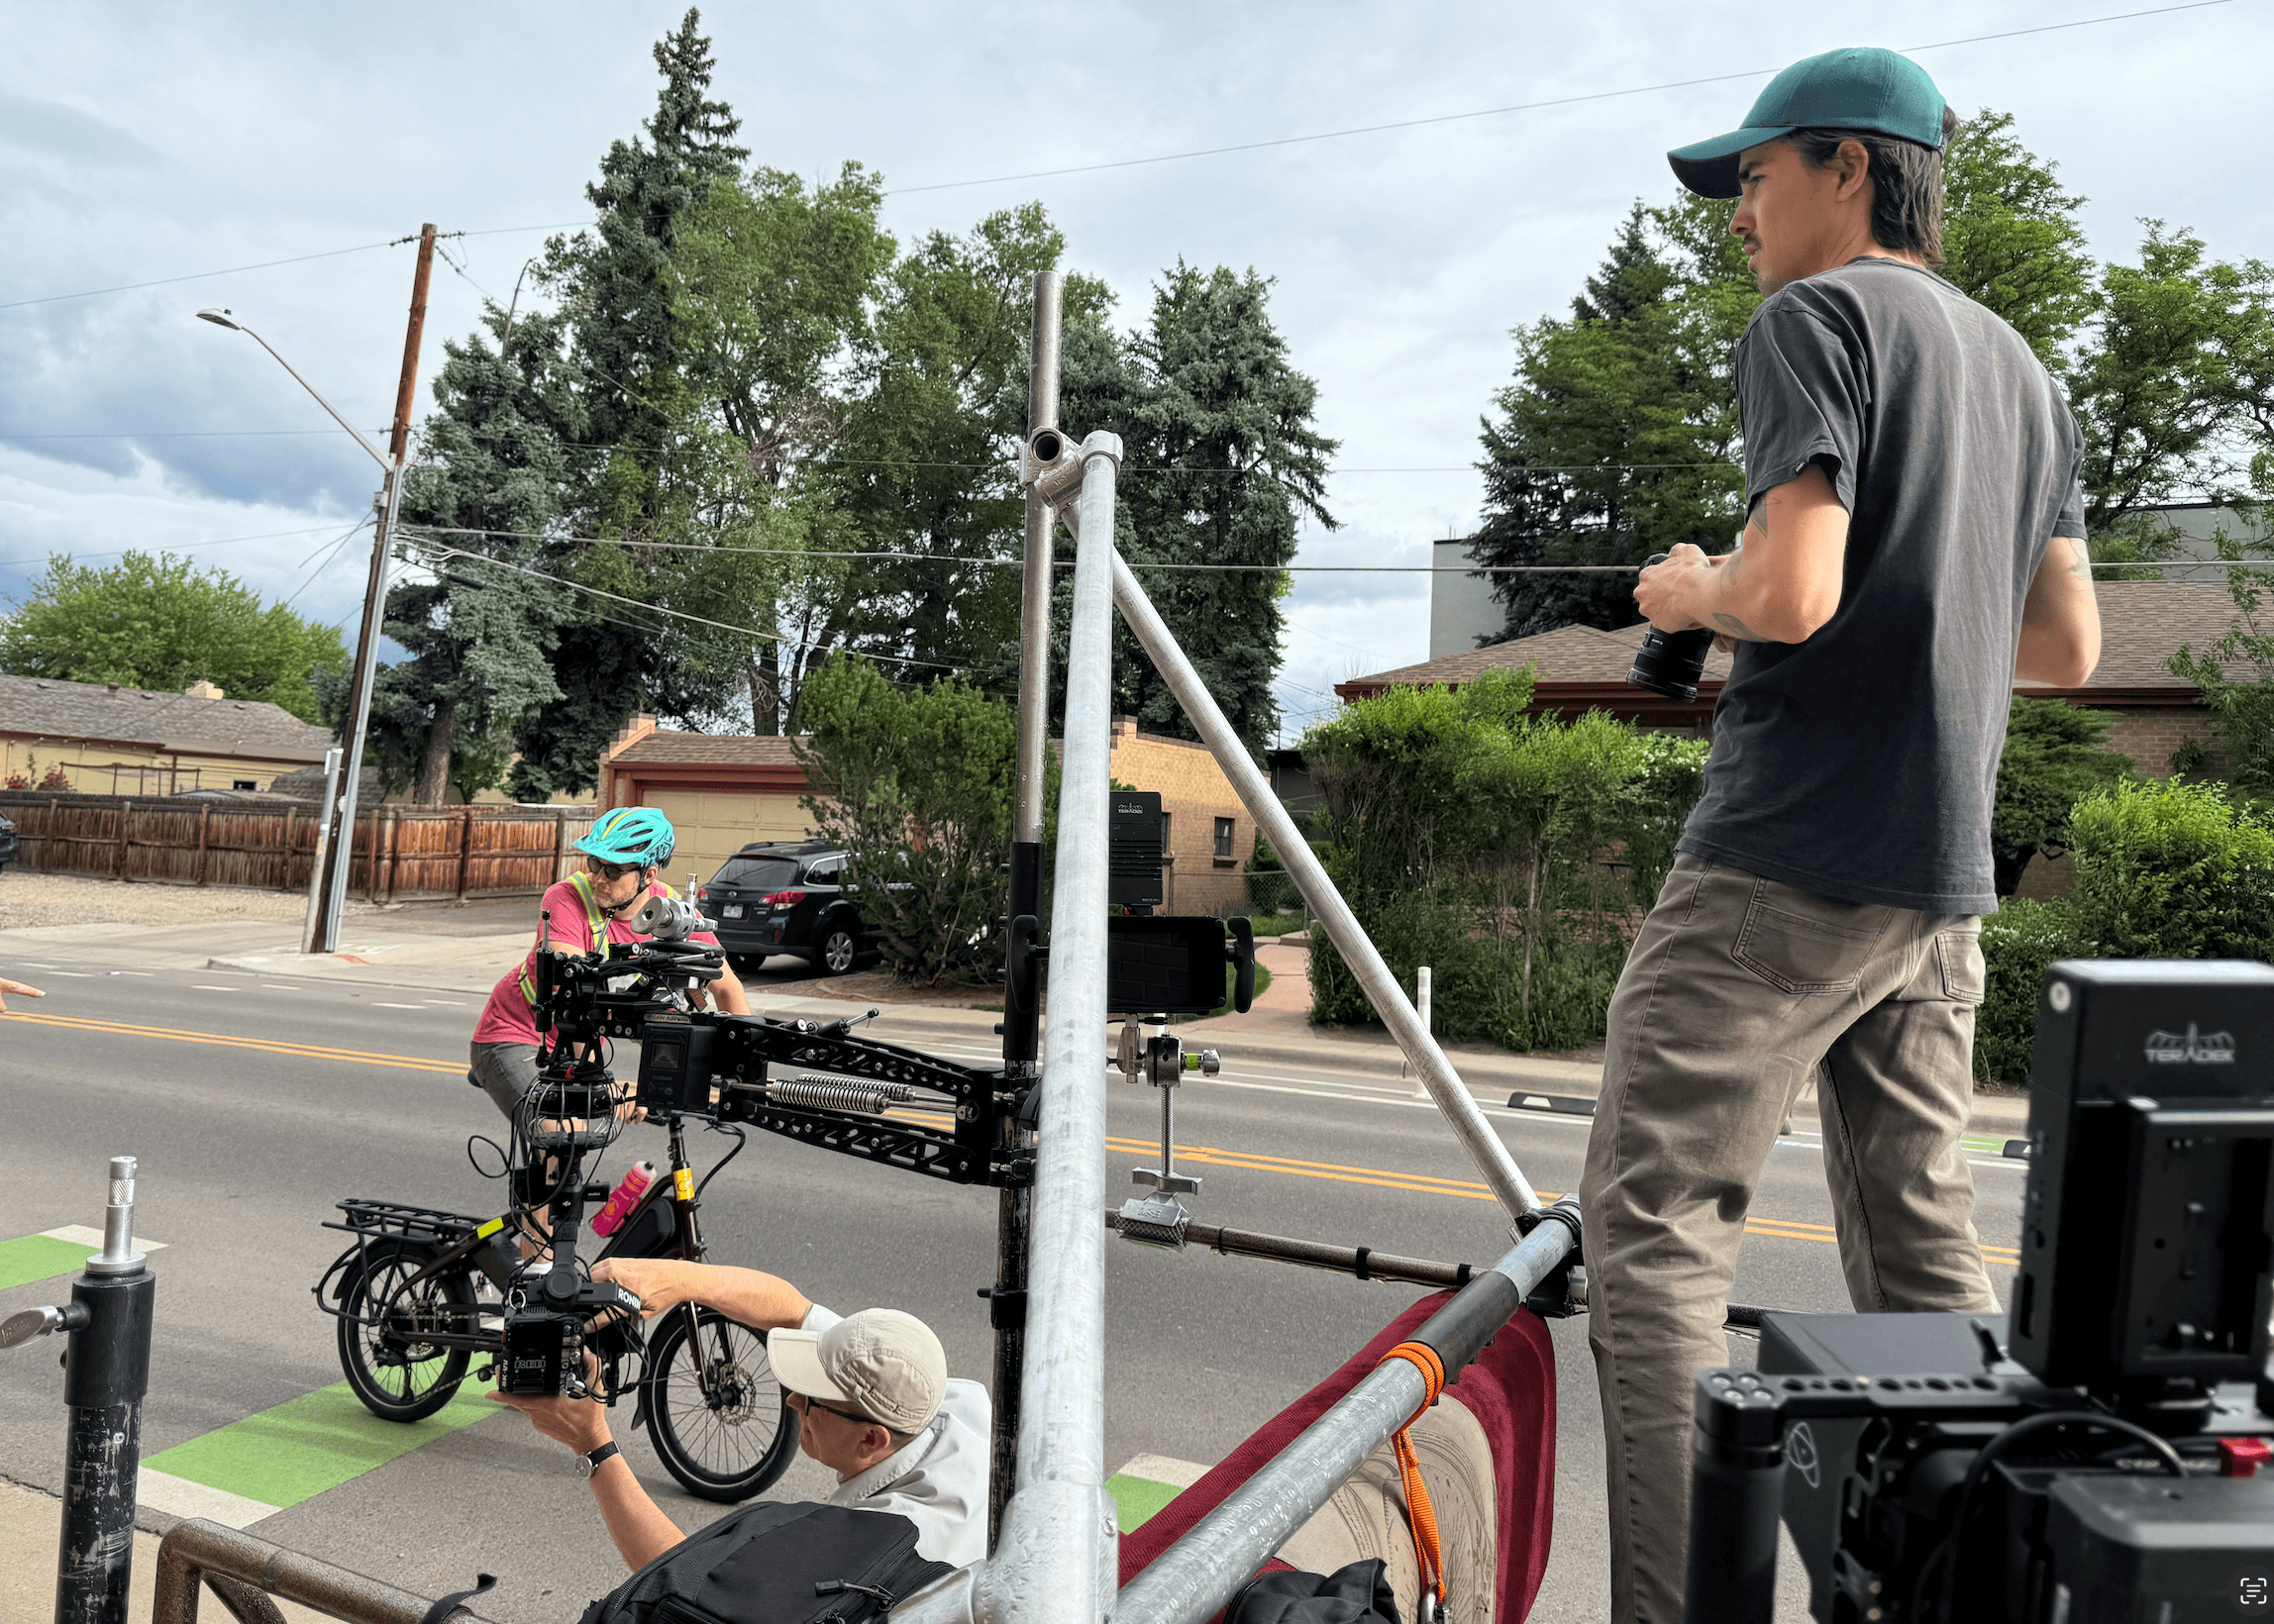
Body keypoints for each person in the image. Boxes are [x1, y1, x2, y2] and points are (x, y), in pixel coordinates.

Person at [1578, 46, 2101, 1621]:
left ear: (1850, 170)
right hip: (1938, 890)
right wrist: (1910, 604)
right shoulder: (2023, 372)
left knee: (1656, 1240)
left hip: (1779, 865)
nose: (1739, 216)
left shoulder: (1815, 321)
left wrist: (1690, 595)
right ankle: (1957, 1591)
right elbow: (2063, 649)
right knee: (1923, 1263)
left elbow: (1791, 595)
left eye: (1754, 177)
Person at [491, 1258, 989, 1572]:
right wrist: (674, 1278)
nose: (793, 1403)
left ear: (872, 1441)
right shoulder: (940, 1396)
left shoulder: (874, 1545)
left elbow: (692, 1581)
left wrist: (592, 1443)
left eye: (811, 1400)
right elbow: (792, 1309)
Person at [468, 806, 752, 1123]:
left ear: (648, 875)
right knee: (563, 1130)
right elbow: (572, 996)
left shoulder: (675, 915)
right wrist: (602, 1082)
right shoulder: (564, 898)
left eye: (613, 871)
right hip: (516, 1032)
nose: (598, 878)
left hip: (582, 1041)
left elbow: (727, 988)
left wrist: (744, 1077)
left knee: (583, 1142)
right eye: (594, 863)